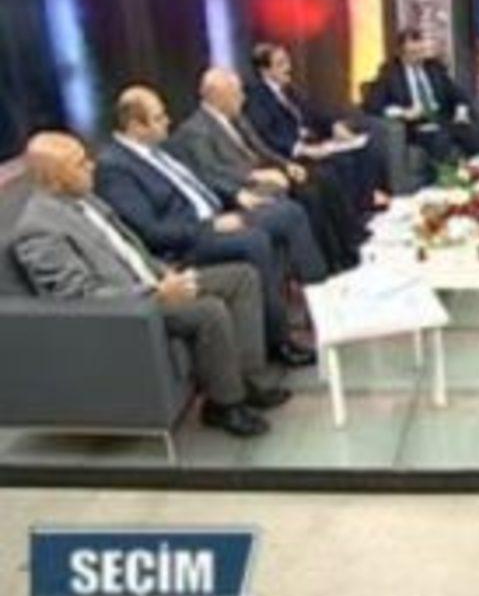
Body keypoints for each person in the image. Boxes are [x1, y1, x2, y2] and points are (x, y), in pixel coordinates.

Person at [11, 132, 292, 437]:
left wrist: (164, 273)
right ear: (53, 178)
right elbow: (79, 297)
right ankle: (224, 405)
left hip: (153, 281)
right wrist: (155, 293)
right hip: (131, 308)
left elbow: (131, 250)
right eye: (79, 164)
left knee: (241, 277)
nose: (91, 166)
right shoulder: (38, 229)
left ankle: (245, 380)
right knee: (208, 310)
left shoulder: (85, 198)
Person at [95, 85, 316, 366]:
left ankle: (318, 298)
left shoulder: (158, 150)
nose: (168, 122)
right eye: (159, 118)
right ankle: (279, 340)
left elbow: (199, 181)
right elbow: (149, 231)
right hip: (186, 242)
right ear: (135, 125)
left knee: (288, 212)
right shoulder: (115, 167)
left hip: (215, 215)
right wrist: (207, 227)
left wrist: (236, 195)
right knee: (254, 241)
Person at [169, 68, 352, 277]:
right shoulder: (196, 130)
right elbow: (211, 171)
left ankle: (339, 256)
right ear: (218, 96)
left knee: (321, 180)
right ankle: (316, 274)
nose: (243, 98)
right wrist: (251, 177)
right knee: (305, 197)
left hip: (264, 175)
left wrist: (286, 166)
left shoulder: (236, 118)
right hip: (242, 188)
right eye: (237, 93)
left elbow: (261, 148)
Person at [243, 42, 391, 213]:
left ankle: (368, 204)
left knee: (365, 150)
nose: (288, 68)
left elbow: (314, 112)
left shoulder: (289, 89)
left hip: (314, 144)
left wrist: (334, 126)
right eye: (281, 64)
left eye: (287, 62)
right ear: (265, 71)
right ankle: (356, 213)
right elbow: (268, 135)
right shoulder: (256, 97)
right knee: (341, 164)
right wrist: (301, 149)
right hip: (291, 154)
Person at [363, 28, 479, 181]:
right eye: (413, 53)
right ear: (401, 53)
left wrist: (461, 112)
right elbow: (372, 105)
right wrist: (403, 112)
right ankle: (451, 180)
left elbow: (458, 93)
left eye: (420, 51)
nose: (418, 57)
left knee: (474, 133)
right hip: (414, 125)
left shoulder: (433, 67)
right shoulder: (390, 73)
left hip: (442, 119)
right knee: (438, 138)